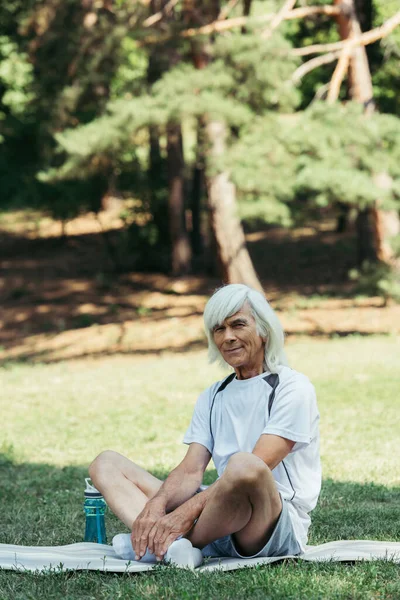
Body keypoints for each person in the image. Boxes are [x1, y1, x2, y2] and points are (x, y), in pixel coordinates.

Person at [89, 284, 321, 564]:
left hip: (271, 524)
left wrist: (183, 515)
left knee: (244, 464)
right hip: (218, 515)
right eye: (219, 329)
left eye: (238, 325)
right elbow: (190, 471)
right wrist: (155, 507)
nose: (228, 337)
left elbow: (257, 467)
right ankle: (170, 546)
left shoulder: (292, 387)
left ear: (263, 330)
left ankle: (171, 543)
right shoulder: (213, 395)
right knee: (106, 463)